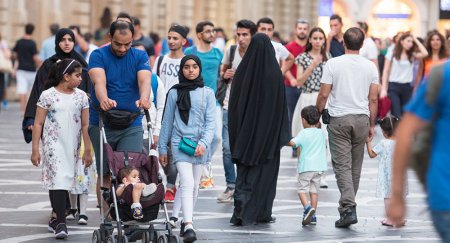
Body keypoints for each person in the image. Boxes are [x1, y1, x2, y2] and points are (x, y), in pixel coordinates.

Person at [316, 27, 379, 228]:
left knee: (342, 166)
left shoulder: (333, 63)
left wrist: (317, 114)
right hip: (361, 118)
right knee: (355, 166)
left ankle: (349, 208)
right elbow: (374, 98)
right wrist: (371, 124)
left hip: (339, 119)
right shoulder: (370, 67)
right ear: (362, 44)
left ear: (343, 42)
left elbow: (324, 94)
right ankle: (347, 208)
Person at [88, 21, 151, 214]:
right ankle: (107, 217)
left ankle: (129, 214)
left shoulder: (140, 55)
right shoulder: (98, 55)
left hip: (131, 123)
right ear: (109, 38)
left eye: (127, 44)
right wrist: (104, 99)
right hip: (101, 122)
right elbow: (99, 81)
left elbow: (144, 79)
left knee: (130, 171)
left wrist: (144, 98)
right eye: (118, 44)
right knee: (106, 172)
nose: (123, 48)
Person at [228, 33, 290, 226]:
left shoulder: (243, 72)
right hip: (268, 138)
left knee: (245, 173)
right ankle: (262, 212)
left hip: (246, 137)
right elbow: (281, 107)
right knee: (266, 175)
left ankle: (241, 212)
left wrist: (238, 133)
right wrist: (281, 134)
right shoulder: (274, 74)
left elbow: (234, 107)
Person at [387, 62, 450, 242]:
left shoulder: (443, 74)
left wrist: (397, 196)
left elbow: (405, 132)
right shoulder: (443, 76)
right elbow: (405, 132)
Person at [30, 58, 92, 239]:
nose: (81, 79)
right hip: (52, 144)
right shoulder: (47, 95)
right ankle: (61, 223)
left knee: (65, 179)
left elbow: (86, 125)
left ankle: (58, 217)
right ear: (66, 76)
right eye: (77, 75)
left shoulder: (81, 96)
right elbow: (38, 123)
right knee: (57, 178)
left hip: (72, 145)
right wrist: (35, 149)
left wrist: (87, 149)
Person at [158, 55, 216, 242]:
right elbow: (166, 122)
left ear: (199, 69)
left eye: (194, 67)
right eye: (186, 67)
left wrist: (204, 144)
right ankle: (189, 225)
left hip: (200, 146)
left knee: (194, 186)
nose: (190, 70)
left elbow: (210, 123)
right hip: (180, 143)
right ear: (181, 70)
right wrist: (162, 149)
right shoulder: (174, 92)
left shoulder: (207, 92)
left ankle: (183, 219)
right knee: (187, 181)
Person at [23, 28, 90, 143]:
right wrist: (31, 119)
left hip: (76, 119)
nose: (67, 43)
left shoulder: (81, 64)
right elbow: (38, 90)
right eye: (63, 40)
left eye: (70, 40)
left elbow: (89, 90)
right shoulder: (49, 64)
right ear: (57, 42)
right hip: (52, 119)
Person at [217, 19, 256, 203]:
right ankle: (231, 185)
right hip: (228, 106)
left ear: (252, 35)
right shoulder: (231, 51)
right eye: (238, 34)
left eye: (245, 35)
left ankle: (242, 185)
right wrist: (225, 76)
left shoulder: (256, 53)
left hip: (249, 109)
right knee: (227, 149)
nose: (241, 38)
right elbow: (222, 72)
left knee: (245, 148)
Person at [184, 21, 223, 189]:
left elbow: (222, 74)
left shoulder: (218, 53)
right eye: (208, 31)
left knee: (216, 136)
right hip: (193, 99)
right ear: (199, 34)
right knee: (194, 135)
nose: (212, 34)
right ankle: (195, 168)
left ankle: (205, 161)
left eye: (213, 31)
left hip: (213, 101)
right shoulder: (190, 52)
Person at [153, 25, 188, 205]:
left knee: (174, 150)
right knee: (162, 150)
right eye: (169, 38)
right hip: (162, 110)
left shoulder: (187, 62)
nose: (172, 41)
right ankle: (170, 180)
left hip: (180, 111)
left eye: (175, 38)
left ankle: (170, 186)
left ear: (184, 41)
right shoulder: (160, 61)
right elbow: (154, 84)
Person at [287, 105, 327, 226]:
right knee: (314, 191)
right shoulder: (321, 133)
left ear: (303, 120)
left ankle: (307, 208)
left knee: (301, 190)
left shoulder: (303, 133)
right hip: (319, 167)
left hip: (306, 167)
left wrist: (283, 139)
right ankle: (313, 216)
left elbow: (293, 143)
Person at [366, 116, 405, 227]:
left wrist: (368, 142)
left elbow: (372, 154)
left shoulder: (384, 143)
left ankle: (390, 219)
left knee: (388, 198)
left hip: (387, 176)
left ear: (384, 132)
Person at [380, 32, 428, 118]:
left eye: (411, 42)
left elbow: (425, 53)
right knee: (396, 115)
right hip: (393, 87)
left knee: (405, 115)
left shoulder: (412, 55)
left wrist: (415, 39)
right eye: (408, 41)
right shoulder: (392, 53)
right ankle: (395, 131)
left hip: (407, 87)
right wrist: (384, 88)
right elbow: (385, 71)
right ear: (402, 41)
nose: (410, 44)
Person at [284, 19, 309, 158]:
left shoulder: (310, 47)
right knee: (292, 116)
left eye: (305, 28)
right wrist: (292, 79)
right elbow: (285, 65)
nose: (302, 31)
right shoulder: (289, 47)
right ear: (295, 30)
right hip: (291, 87)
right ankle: (294, 145)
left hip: (307, 88)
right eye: (300, 28)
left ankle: (306, 143)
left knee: (307, 116)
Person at [12, 23, 40, 115]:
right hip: (31, 70)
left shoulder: (19, 42)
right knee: (31, 91)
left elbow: (14, 54)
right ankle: (30, 109)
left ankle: (22, 110)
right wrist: (40, 64)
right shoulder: (32, 43)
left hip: (21, 69)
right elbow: (35, 57)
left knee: (22, 90)